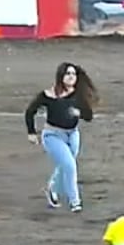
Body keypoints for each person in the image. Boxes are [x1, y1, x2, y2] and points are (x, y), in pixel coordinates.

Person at [24, 62, 98, 212]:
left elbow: (89, 116)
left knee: (65, 165)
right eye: (68, 74)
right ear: (60, 76)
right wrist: (31, 132)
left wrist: (79, 113)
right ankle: (75, 202)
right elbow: (30, 111)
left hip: (73, 134)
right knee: (70, 166)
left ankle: (52, 188)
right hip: (53, 136)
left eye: (73, 74)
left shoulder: (78, 95)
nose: (71, 77)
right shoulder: (48, 95)